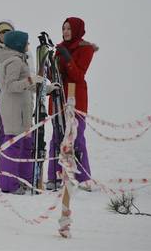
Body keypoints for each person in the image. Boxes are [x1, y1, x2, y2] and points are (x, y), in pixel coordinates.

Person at [0, 30, 58, 194]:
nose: (28, 45)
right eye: (26, 42)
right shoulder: (14, 62)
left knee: (25, 147)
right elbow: (10, 86)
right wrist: (31, 79)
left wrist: (48, 88)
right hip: (13, 110)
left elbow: (28, 86)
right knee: (14, 147)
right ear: (18, 44)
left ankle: (23, 180)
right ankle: (9, 184)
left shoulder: (20, 61)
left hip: (22, 111)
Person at [46, 17, 98, 191]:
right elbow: (55, 77)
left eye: (69, 28)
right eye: (63, 28)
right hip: (59, 99)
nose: (65, 32)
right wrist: (48, 64)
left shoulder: (86, 49)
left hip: (76, 101)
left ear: (77, 30)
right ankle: (54, 177)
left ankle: (82, 179)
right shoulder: (59, 48)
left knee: (76, 139)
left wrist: (67, 57)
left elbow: (77, 76)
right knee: (57, 139)